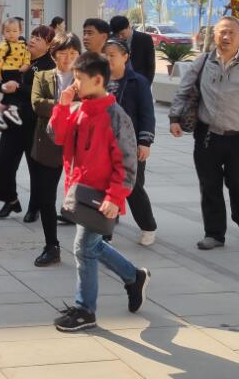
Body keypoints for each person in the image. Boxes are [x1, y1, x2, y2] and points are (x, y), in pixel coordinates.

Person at [50, 51, 150, 332]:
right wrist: (62, 107)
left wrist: (115, 197)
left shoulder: (116, 117)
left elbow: (127, 163)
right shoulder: (79, 109)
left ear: (97, 80)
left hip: (103, 195)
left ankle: (85, 310)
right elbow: (57, 136)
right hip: (81, 192)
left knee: (83, 248)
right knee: (92, 246)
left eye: (79, 79)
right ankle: (134, 277)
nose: (75, 84)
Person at [169, 16, 239, 250]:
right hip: (207, 135)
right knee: (209, 186)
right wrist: (174, 118)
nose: (226, 36)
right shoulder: (203, 62)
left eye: (231, 32)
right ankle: (214, 234)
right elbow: (184, 90)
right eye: (221, 32)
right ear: (214, 35)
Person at [0, 25, 55, 220]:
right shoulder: (20, 57)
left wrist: (18, 87)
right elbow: (6, 83)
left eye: (39, 38)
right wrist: (4, 98)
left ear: (49, 45)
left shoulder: (48, 65)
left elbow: (41, 94)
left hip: (35, 124)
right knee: (4, 163)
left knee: (36, 168)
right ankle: (10, 200)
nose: (32, 40)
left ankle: (35, 207)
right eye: (33, 36)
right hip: (13, 119)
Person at [29, 32, 81, 266]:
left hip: (78, 147)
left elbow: (92, 105)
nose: (68, 58)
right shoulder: (42, 76)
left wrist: (64, 105)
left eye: (73, 53)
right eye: (63, 53)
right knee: (46, 197)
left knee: (86, 198)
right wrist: (68, 103)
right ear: (53, 54)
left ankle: (97, 243)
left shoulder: (86, 77)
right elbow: (37, 104)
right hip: (48, 144)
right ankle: (52, 246)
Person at [103, 39, 159, 245]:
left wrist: (145, 142)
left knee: (132, 187)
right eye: (105, 55)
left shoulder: (138, 82)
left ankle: (148, 226)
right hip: (104, 144)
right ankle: (105, 232)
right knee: (105, 186)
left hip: (130, 145)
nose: (108, 59)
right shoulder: (99, 80)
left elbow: (147, 114)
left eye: (112, 55)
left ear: (125, 57)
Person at [0, 17, 31, 129]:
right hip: (7, 71)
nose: (11, 34)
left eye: (14, 31)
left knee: (10, 94)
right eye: (8, 31)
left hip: (18, 71)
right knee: (15, 90)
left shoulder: (23, 44)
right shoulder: (4, 45)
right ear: (3, 32)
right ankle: (12, 110)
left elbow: (27, 55)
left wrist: (26, 64)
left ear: (20, 31)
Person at [109, 15, 156, 85]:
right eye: (117, 35)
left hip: (139, 81)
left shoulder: (145, 39)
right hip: (118, 82)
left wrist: (147, 83)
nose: (120, 37)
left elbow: (150, 64)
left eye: (122, 33)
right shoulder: (111, 40)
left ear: (129, 27)